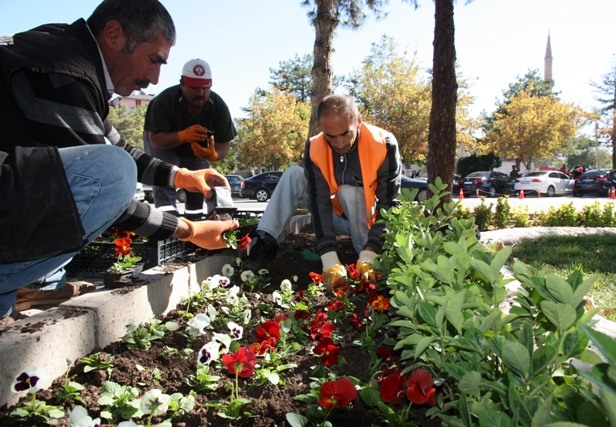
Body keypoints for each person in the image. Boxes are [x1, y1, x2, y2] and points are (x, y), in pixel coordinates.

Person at [0, 0, 238, 327]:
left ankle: (21, 286)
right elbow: (108, 191)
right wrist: (190, 230)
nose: (155, 79)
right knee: (114, 173)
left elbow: (119, 147)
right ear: (114, 35)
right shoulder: (64, 73)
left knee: (115, 164)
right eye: (154, 60)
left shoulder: (68, 54)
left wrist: (182, 176)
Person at [245, 94, 402, 287]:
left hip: (367, 224)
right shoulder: (315, 147)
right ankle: (265, 244)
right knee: (293, 174)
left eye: (345, 134)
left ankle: (365, 257)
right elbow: (320, 201)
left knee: (348, 192)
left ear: (358, 121)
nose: (339, 143)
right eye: (330, 137)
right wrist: (329, 258)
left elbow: (388, 205)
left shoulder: (383, 144)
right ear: (322, 129)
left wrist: (371, 249)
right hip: (336, 218)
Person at [143, 58, 236, 217]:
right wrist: (182, 136)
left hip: (193, 151)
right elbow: (155, 140)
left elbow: (224, 144)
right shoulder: (165, 101)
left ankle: (195, 218)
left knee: (200, 179)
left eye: (204, 88)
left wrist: (213, 155)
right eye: (193, 88)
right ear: (182, 84)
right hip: (163, 143)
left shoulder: (218, 106)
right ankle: (168, 220)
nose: (199, 93)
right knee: (166, 172)